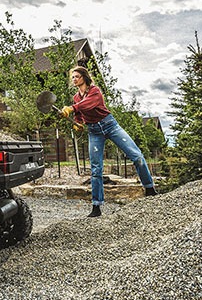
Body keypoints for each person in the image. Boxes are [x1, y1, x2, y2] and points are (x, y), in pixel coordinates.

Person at [60, 65, 158, 217]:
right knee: (96, 169)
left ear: (84, 77)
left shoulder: (95, 91)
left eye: (77, 76)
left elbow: (89, 104)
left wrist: (72, 108)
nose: (74, 79)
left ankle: (150, 189)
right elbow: (80, 113)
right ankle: (96, 206)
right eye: (72, 77)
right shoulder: (76, 98)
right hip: (94, 132)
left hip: (110, 126)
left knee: (136, 156)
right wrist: (77, 123)